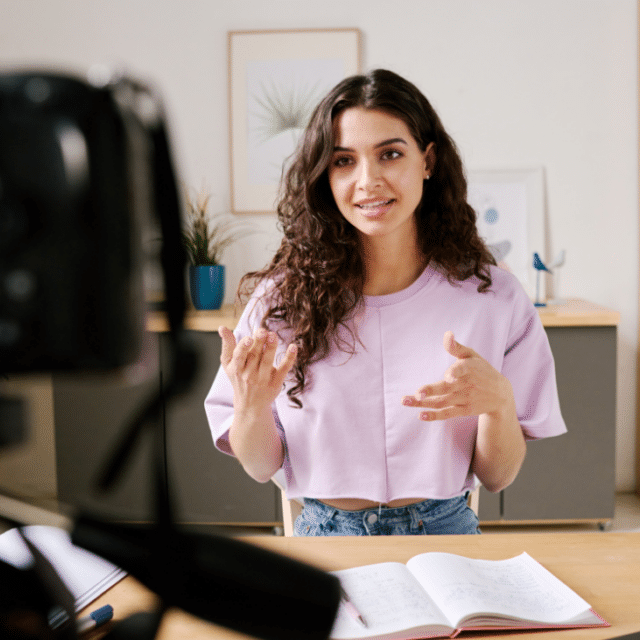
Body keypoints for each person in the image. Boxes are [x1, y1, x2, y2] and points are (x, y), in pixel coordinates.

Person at [204, 69, 566, 536]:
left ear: (428, 161)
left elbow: (498, 477)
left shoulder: (493, 297)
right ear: (324, 176)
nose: (367, 181)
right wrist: (251, 408)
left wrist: (498, 404)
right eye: (343, 161)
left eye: (390, 154)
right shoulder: (281, 303)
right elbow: (260, 467)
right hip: (327, 534)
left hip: (447, 529)